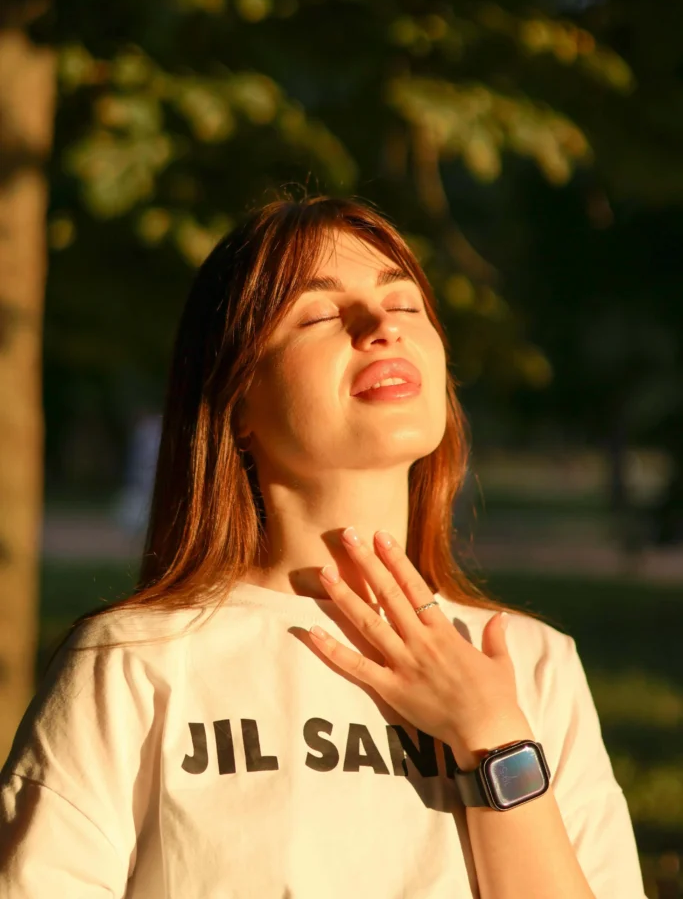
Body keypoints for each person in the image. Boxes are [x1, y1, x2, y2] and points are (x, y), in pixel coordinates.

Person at [0, 194, 646, 898]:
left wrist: (491, 734)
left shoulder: (528, 663)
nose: (380, 328)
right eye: (318, 314)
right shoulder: (133, 661)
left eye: (404, 307)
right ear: (237, 400)